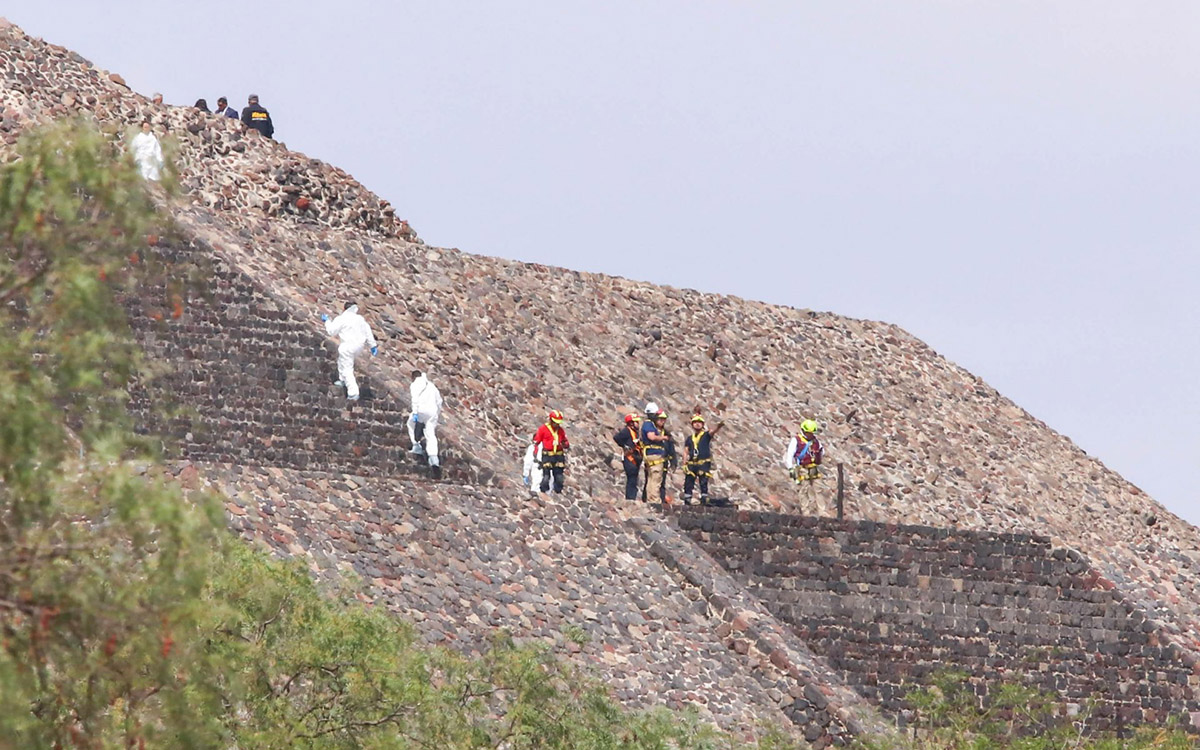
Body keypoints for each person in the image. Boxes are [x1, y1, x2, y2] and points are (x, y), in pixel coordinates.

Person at [320, 302, 377, 402]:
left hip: (348, 346)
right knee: (342, 361)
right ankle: (342, 379)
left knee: (347, 368)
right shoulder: (360, 319)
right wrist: (373, 345)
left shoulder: (342, 318)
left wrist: (327, 321)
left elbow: (331, 331)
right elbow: (368, 332)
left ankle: (353, 392)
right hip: (359, 346)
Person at [682, 414, 724, 505]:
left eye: (699, 423)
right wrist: (684, 462)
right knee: (689, 480)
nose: (697, 424)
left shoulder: (706, 435)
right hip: (692, 462)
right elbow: (686, 450)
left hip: (703, 462)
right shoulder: (690, 438)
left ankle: (704, 497)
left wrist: (718, 427)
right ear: (692, 425)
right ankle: (687, 498)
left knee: (703, 480)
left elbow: (712, 432)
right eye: (695, 423)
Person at [408, 370, 443, 468]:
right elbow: (439, 401)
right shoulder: (432, 386)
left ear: (413, 377)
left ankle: (416, 445)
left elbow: (414, 399)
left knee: (410, 423)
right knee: (430, 434)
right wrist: (437, 413)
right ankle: (434, 458)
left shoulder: (414, 384)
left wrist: (415, 413)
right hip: (433, 412)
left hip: (421, 411)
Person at [531, 411, 569, 494]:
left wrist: (565, 444)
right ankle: (543, 492)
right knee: (546, 477)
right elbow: (536, 442)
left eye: (558, 423)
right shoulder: (543, 429)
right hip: (547, 456)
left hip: (558, 456)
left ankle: (557, 492)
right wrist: (535, 455)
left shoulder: (561, 431)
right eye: (555, 423)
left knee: (559, 478)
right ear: (551, 421)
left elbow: (566, 442)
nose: (557, 425)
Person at [641, 410, 671, 503]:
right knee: (656, 478)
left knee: (651, 478)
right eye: (660, 419)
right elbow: (652, 437)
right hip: (654, 455)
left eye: (664, 419)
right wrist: (663, 438)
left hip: (651, 455)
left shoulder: (658, 429)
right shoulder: (650, 426)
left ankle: (650, 498)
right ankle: (654, 499)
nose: (662, 421)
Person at [612, 413, 643, 501]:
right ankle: (630, 498)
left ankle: (632, 497)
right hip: (629, 458)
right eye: (636, 422)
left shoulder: (635, 432)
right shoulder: (626, 431)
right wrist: (624, 446)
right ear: (631, 423)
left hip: (636, 458)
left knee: (634, 480)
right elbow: (616, 438)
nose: (638, 424)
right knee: (631, 478)